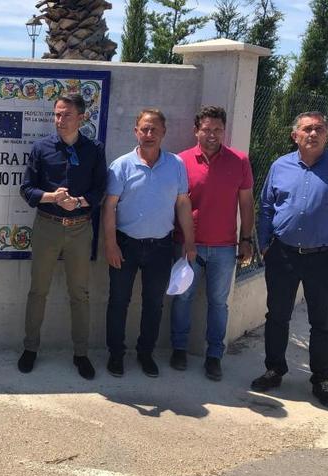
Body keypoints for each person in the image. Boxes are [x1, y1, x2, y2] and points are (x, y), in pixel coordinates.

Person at [252, 111, 328, 409]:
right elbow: (265, 207)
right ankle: (274, 369)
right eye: (307, 129)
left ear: (327, 135)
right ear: (295, 136)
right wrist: (265, 244)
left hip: (324, 257)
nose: (313, 134)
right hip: (283, 254)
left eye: (319, 129)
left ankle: (322, 380)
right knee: (277, 316)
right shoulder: (280, 166)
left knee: (323, 321)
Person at [17, 94, 107, 379]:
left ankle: (81, 354)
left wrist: (79, 202)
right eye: (56, 114)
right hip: (47, 226)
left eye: (66, 115)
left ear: (81, 117)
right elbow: (27, 189)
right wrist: (51, 197)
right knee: (38, 291)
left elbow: (100, 190)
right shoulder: (41, 148)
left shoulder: (94, 149)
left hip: (80, 229)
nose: (60, 120)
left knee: (79, 294)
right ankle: (30, 348)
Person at [102, 108, 195, 378]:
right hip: (126, 245)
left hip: (161, 247)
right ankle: (116, 355)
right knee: (118, 302)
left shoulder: (176, 165)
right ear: (136, 132)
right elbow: (109, 208)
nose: (149, 134)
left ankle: (146, 354)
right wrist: (110, 244)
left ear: (164, 132)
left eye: (154, 129)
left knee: (154, 304)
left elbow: (183, 204)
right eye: (144, 129)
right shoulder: (121, 166)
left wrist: (190, 242)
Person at [169, 106, 255, 381]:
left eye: (217, 129)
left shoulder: (239, 161)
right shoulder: (180, 161)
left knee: (219, 303)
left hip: (224, 248)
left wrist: (246, 240)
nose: (212, 135)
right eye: (206, 129)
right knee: (183, 298)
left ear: (224, 131)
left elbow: (246, 203)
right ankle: (179, 349)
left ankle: (214, 355)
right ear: (196, 130)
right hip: (187, 245)